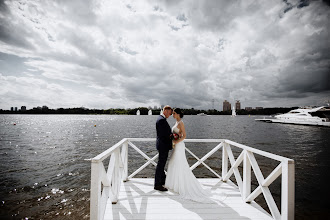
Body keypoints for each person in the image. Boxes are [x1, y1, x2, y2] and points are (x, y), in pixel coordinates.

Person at [165, 108, 213, 203]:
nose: (172, 115)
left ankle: (181, 186)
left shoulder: (181, 123)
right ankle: (175, 184)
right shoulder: (176, 122)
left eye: (174, 113)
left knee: (179, 163)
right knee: (173, 163)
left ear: (178, 114)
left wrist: (176, 141)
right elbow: (176, 133)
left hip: (179, 146)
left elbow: (184, 135)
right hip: (176, 146)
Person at [154, 105, 173, 191]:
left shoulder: (161, 119)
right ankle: (157, 184)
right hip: (163, 145)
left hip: (162, 145)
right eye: (170, 113)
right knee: (161, 165)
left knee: (161, 164)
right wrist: (173, 136)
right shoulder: (161, 120)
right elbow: (164, 135)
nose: (170, 115)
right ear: (165, 110)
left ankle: (162, 180)